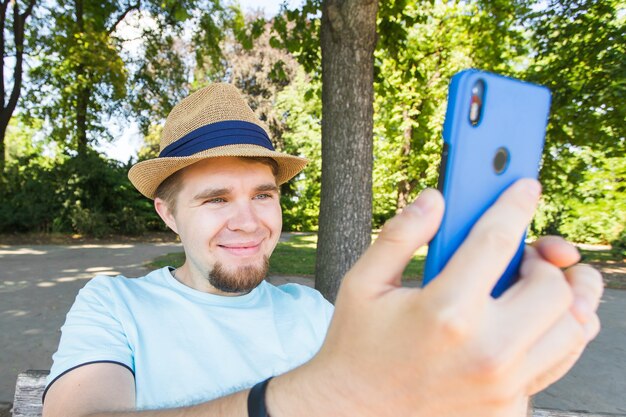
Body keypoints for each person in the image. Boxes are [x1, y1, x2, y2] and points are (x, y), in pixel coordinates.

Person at [43, 83, 603, 417]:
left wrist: (483, 391)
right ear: (168, 214)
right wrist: (310, 393)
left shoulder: (313, 312)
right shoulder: (114, 303)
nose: (249, 220)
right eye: (215, 198)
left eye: (263, 194)